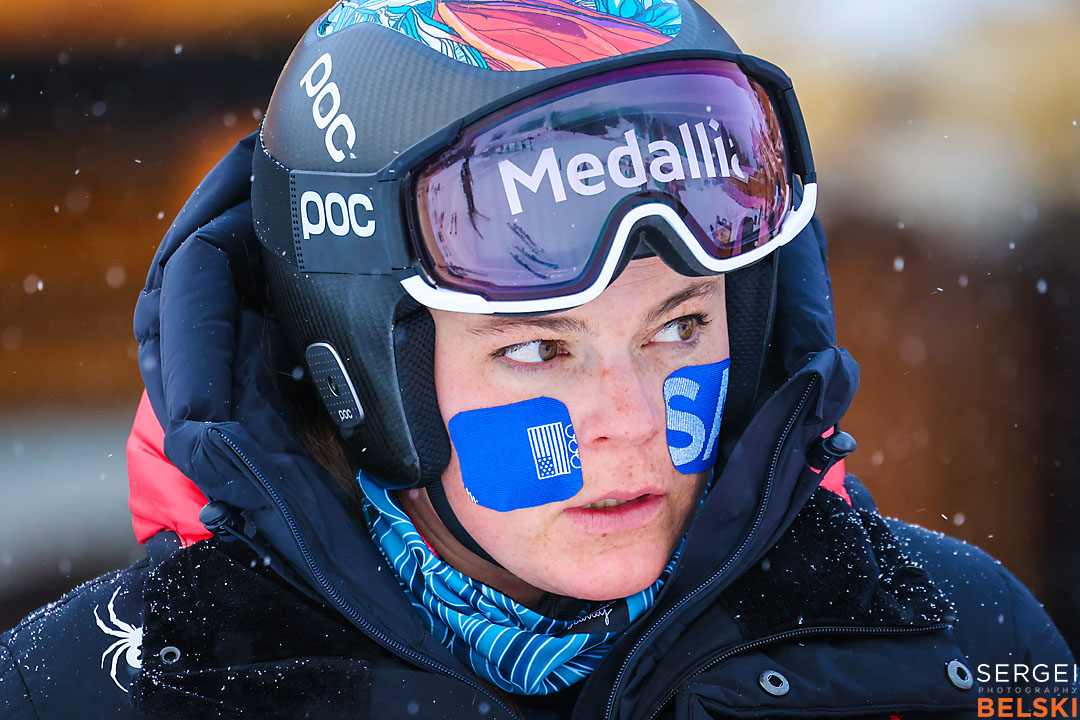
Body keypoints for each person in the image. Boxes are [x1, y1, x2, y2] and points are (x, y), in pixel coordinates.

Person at [1, 0, 1073, 717]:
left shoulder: (962, 646)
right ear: (363, 372)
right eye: (539, 348)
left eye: (680, 329)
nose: (632, 418)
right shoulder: (103, 691)